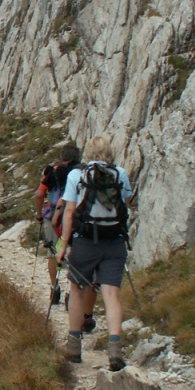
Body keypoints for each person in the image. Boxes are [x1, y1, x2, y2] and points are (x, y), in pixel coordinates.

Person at [55, 136, 133, 370]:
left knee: (77, 292)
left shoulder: (76, 175)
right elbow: (125, 203)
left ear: (87, 153)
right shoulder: (119, 173)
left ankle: (74, 347)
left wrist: (63, 245)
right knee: (111, 295)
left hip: (85, 242)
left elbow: (69, 211)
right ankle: (115, 349)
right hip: (114, 242)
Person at [34, 144, 81, 306]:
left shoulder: (53, 171)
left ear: (62, 157)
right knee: (72, 253)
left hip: (53, 215)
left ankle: (55, 288)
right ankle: (70, 292)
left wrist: (39, 214)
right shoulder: (82, 172)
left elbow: (39, 194)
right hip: (75, 217)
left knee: (53, 252)